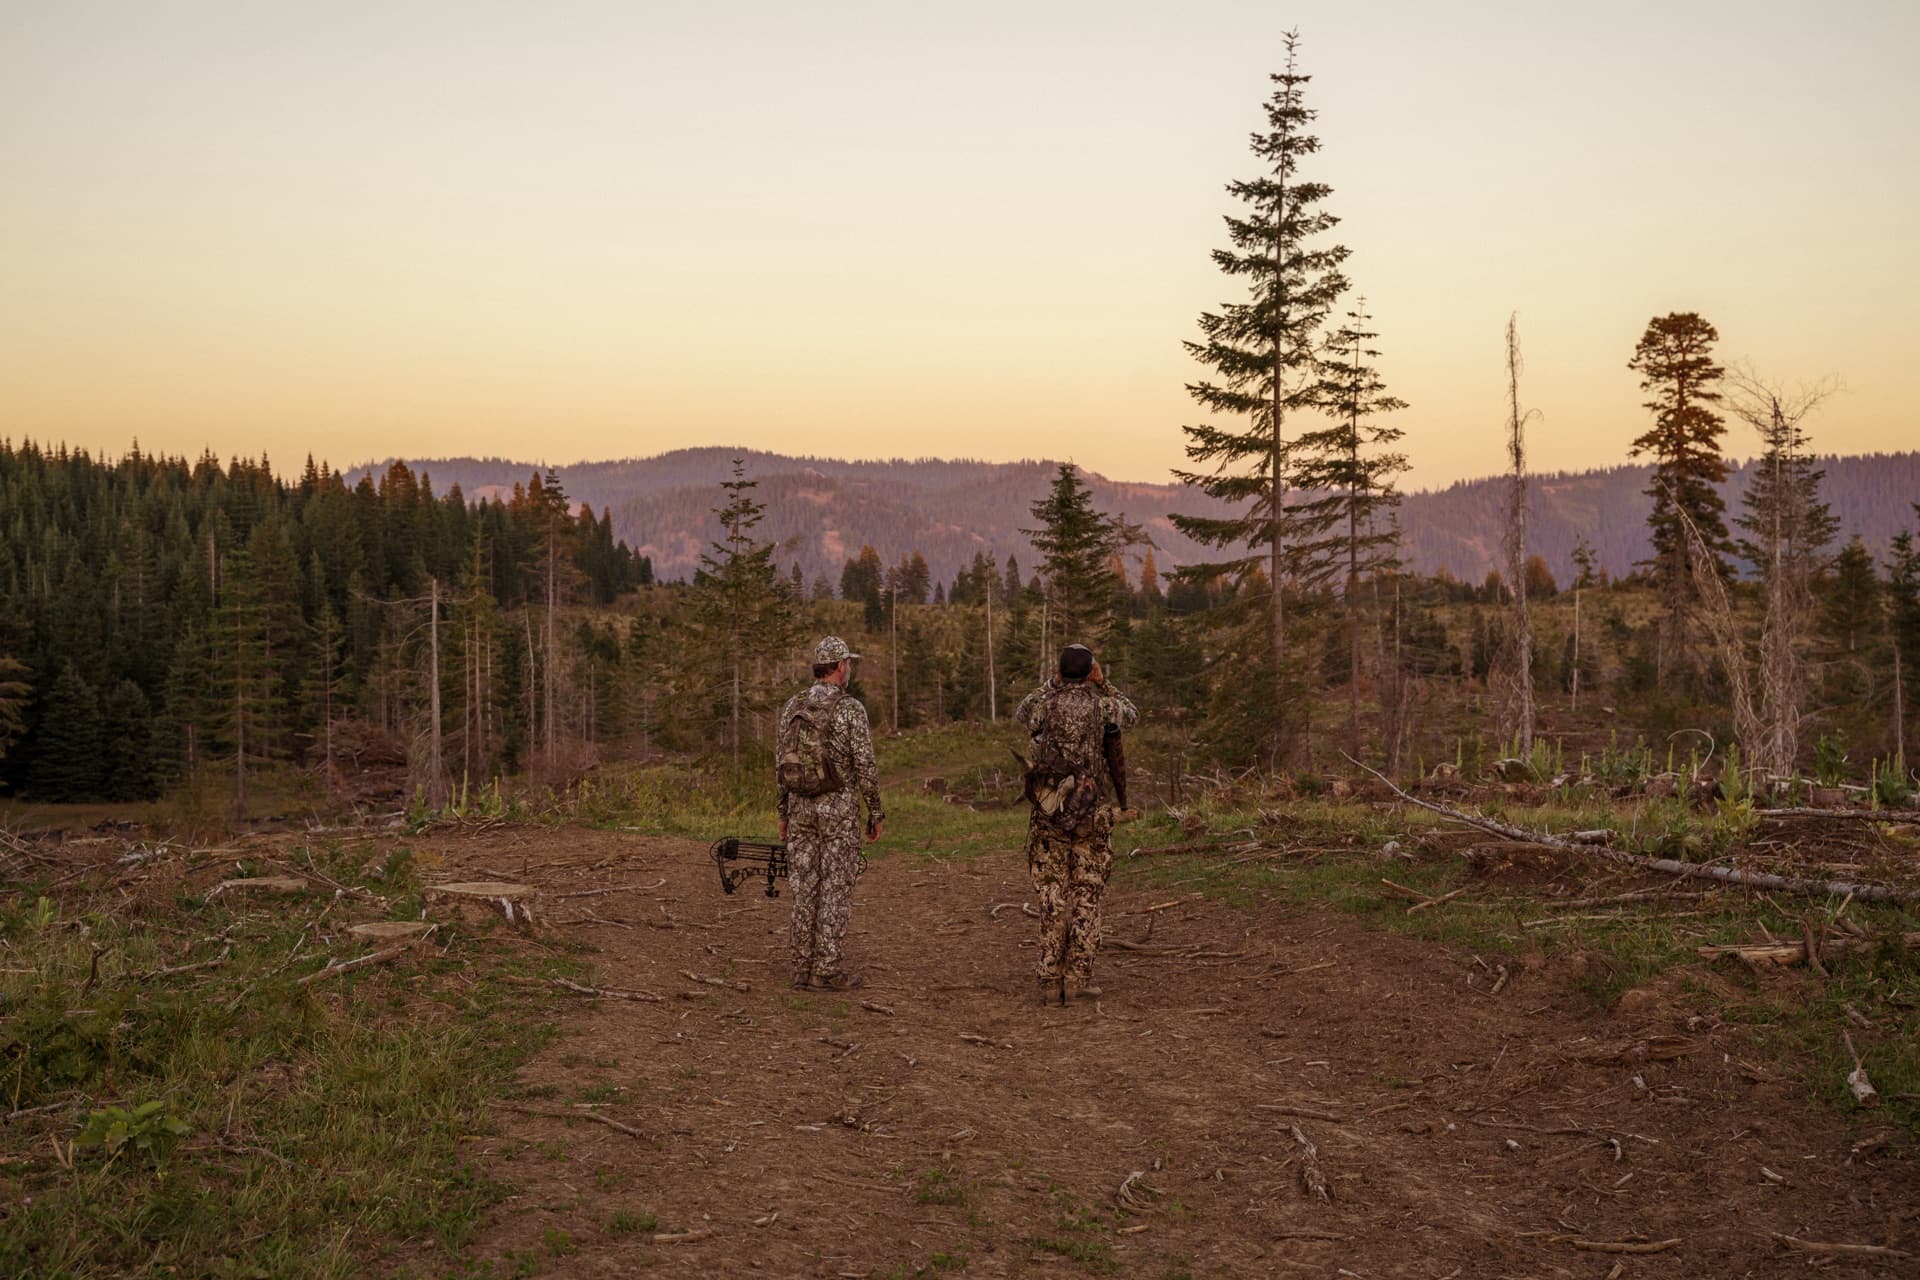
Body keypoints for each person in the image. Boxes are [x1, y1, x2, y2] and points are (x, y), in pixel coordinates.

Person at [1014, 644, 1138, 1004]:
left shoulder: (1043, 705)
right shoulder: (1104, 707)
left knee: (1051, 893)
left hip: (1049, 812)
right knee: (1087, 892)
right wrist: (1105, 685)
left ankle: (1049, 979)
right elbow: (1133, 714)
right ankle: (1078, 975)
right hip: (1091, 811)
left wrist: (1050, 685)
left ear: (1059, 671)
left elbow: (1022, 711)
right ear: (1091, 672)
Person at [776, 636, 884, 990]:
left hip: (799, 807)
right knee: (835, 886)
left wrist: (783, 812)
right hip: (837, 808)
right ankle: (825, 969)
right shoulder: (851, 708)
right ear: (839, 667)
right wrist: (875, 812)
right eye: (848, 663)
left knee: (804, 885)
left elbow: (782, 762)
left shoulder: (794, 704)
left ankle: (800, 967)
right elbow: (865, 764)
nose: (849, 668)